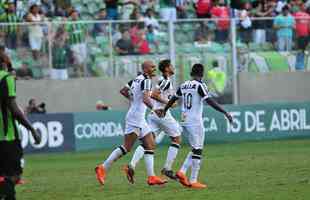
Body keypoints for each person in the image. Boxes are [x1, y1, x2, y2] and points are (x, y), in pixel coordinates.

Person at [158, 63, 233, 189]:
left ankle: (182, 172)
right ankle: (193, 180)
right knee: (198, 149)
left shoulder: (183, 85)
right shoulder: (200, 85)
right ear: (202, 74)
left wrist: (165, 109)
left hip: (184, 119)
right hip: (195, 121)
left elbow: (173, 99)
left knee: (195, 148)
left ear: (191, 73)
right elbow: (209, 100)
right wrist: (225, 112)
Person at [95, 60, 167, 186]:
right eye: (152, 67)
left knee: (150, 145)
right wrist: (155, 109)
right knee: (126, 147)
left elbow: (123, 91)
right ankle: (102, 167)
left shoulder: (136, 79)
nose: (154, 69)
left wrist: (134, 100)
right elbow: (145, 99)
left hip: (139, 117)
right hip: (135, 118)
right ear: (145, 69)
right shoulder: (146, 80)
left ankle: (151, 177)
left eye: (155, 67)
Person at [125, 59, 182, 183]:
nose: (173, 67)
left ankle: (132, 164)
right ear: (167, 68)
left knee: (148, 142)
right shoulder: (165, 81)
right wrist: (169, 103)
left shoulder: (163, 81)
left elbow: (154, 94)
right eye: (171, 66)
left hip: (153, 114)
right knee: (177, 138)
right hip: (161, 113)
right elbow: (154, 95)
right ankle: (167, 168)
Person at [0, 54, 41, 200]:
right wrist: (32, 129)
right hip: (7, 136)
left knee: (5, 176)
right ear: (4, 63)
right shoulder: (6, 78)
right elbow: (13, 108)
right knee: (12, 176)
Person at [65, 10, 87, 77]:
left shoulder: (81, 22)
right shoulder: (69, 23)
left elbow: (85, 30)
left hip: (82, 42)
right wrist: (67, 38)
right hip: (74, 43)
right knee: (77, 58)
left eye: (76, 15)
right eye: (73, 15)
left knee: (83, 57)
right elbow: (66, 31)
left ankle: (81, 71)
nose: (75, 16)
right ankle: (79, 72)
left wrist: (85, 38)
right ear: (71, 16)